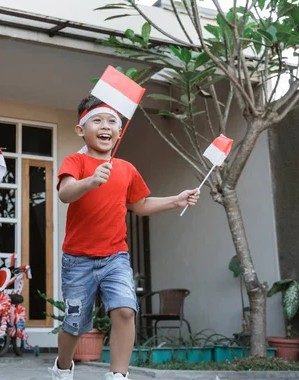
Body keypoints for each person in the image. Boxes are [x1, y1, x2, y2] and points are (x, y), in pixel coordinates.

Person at [48, 96, 200, 380]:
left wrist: (176, 200)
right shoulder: (76, 161)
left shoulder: (126, 169)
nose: (105, 126)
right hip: (78, 259)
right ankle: (63, 367)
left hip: (115, 256)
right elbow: (65, 193)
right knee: (75, 323)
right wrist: (91, 180)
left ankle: (118, 375)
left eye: (112, 122)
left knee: (125, 311)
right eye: (97, 120)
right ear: (81, 130)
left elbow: (140, 205)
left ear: (119, 131)